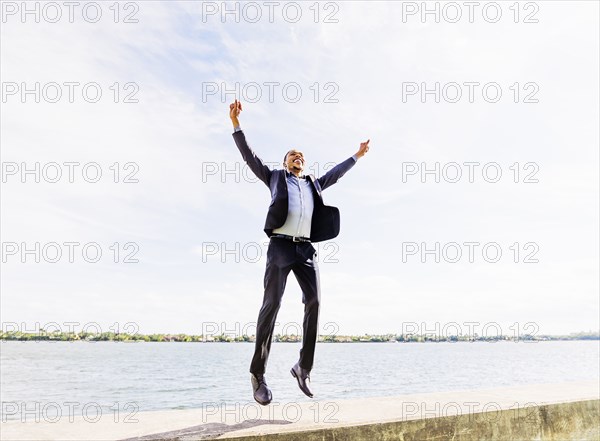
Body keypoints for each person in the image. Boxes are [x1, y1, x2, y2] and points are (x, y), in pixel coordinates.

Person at [229, 99, 370, 405]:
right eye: (293, 155)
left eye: (301, 156)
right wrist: (237, 125)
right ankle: (258, 375)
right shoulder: (275, 178)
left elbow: (336, 173)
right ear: (285, 162)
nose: (298, 157)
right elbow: (249, 157)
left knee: (315, 301)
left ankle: (303, 367)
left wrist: (356, 155)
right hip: (280, 246)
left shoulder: (313, 185)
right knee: (272, 305)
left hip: (305, 250)